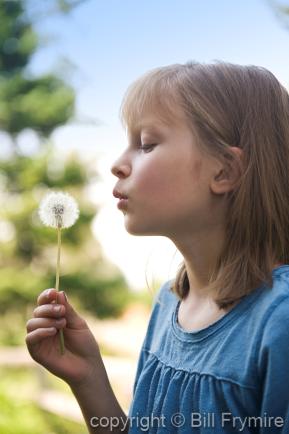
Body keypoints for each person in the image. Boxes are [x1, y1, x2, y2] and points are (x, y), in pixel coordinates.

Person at [26, 61, 289, 433]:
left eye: (146, 144)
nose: (117, 164)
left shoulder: (280, 321)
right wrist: (88, 379)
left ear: (224, 171)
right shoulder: (169, 306)